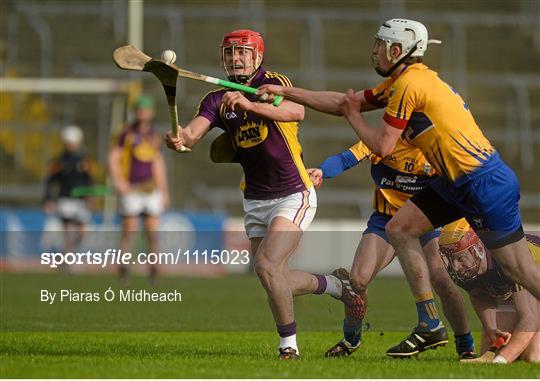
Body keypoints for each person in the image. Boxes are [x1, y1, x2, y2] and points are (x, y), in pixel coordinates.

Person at [256, 18, 540, 357]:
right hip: (454, 183)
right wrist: (285, 91)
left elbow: (382, 145)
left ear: (396, 50)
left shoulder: (409, 85)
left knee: (517, 269)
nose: (374, 50)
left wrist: (353, 116)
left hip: (483, 182)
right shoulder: (403, 81)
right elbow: (343, 102)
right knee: (400, 228)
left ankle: (445, 331)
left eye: (379, 44)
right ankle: (429, 323)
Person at [165, 29, 363, 360]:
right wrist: (179, 138)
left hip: (294, 193)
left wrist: (250, 103)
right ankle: (338, 286)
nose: (235, 59)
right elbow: (192, 134)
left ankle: (289, 348)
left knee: (268, 266)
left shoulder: (270, 84)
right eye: (229, 54)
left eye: (242, 52)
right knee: (272, 275)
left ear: (257, 57)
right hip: (256, 199)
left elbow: (295, 112)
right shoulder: (215, 100)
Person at [308, 138, 475, 359]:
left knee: (441, 279)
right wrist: (322, 171)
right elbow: (345, 159)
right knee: (358, 280)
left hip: (427, 218)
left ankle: (465, 345)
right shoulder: (383, 140)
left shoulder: (436, 144)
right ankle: (352, 339)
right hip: (386, 218)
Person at [439, 219, 540, 364]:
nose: (456, 266)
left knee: (532, 356)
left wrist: (501, 360)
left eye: (460, 257)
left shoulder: (509, 259)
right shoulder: (466, 270)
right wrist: (490, 327)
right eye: (451, 259)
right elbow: (478, 295)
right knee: (493, 345)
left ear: (478, 249)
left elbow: (530, 318)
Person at [108, 95, 170, 284]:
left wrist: (164, 190)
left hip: (150, 190)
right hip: (132, 189)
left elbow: (158, 163)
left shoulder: (153, 135)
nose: (143, 113)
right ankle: (124, 270)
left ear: (150, 113)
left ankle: (153, 271)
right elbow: (113, 158)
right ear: (135, 112)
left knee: (152, 232)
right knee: (130, 230)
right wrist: (119, 181)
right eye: (140, 110)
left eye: (146, 110)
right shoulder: (125, 133)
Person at [43, 125, 94, 260]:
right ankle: (66, 260)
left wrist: (90, 195)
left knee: (83, 232)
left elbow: (89, 179)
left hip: (80, 201)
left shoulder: (85, 160)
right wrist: (48, 199)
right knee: (68, 232)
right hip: (65, 199)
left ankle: (67, 254)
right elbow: (49, 180)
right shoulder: (59, 161)